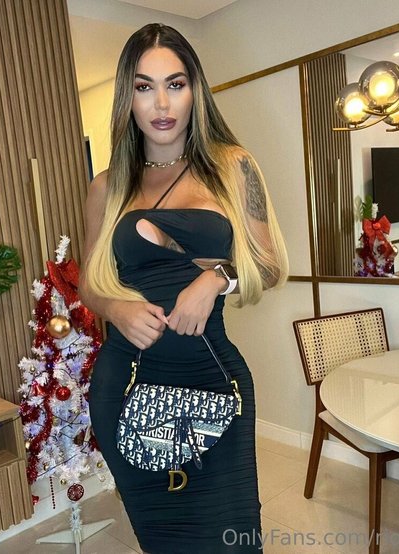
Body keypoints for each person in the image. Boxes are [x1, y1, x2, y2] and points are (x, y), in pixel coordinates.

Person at [79, 22, 288, 554]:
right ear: (127, 97)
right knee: (163, 541)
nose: (161, 103)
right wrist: (117, 310)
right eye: (144, 87)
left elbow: (268, 266)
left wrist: (217, 279)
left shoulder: (231, 166)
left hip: (212, 377)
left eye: (175, 84)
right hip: (127, 384)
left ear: (196, 90)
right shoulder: (106, 186)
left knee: (234, 539)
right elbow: (88, 285)